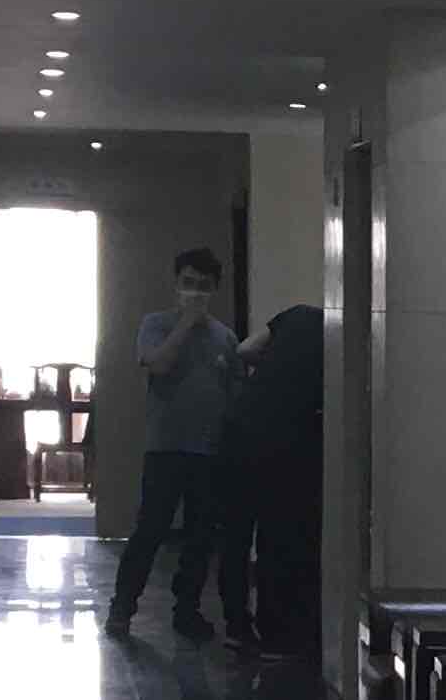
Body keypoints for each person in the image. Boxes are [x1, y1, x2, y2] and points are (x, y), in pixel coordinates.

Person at [106, 247, 242, 641]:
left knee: (200, 538)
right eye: (188, 283)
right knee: (150, 530)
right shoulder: (156, 324)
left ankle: (187, 612)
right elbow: (159, 364)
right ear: (176, 284)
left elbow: (234, 391)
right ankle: (122, 609)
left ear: (215, 289)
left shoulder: (225, 337)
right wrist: (187, 323)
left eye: (203, 286)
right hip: (165, 448)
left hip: (209, 452)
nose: (195, 292)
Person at [228, 303, 325, 654]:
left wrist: (275, 369)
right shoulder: (344, 334)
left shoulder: (298, 314)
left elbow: (244, 350)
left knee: (237, 535)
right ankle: (279, 637)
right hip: (288, 438)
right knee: (280, 535)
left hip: (241, 427)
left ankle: (237, 626)